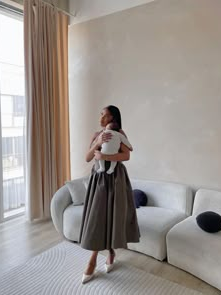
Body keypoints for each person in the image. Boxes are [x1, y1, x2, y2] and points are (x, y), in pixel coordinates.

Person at [79, 105, 140, 284]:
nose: (100, 118)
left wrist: (105, 157)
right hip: (98, 179)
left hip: (115, 179)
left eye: (103, 115)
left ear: (112, 117)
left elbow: (126, 156)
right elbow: (88, 157)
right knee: (98, 217)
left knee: (112, 216)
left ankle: (103, 255)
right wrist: (97, 143)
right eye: (100, 114)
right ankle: (99, 257)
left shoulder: (119, 132)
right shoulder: (96, 135)